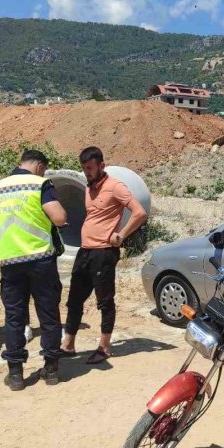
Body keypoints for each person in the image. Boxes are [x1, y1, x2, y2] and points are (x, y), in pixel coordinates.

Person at [0, 150, 68, 390]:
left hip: (10, 262)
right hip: (40, 260)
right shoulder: (40, 184)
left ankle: (16, 375)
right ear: (40, 165)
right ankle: (51, 370)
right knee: (49, 315)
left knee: (14, 318)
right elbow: (59, 217)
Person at [61, 146, 147, 364]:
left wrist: (121, 235)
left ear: (102, 166)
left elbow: (140, 212)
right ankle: (68, 344)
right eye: (83, 169)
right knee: (74, 300)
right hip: (85, 251)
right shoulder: (88, 188)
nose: (86, 172)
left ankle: (104, 347)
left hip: (104, 253)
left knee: (104, 302)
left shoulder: (115, 187)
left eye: (90, 168)